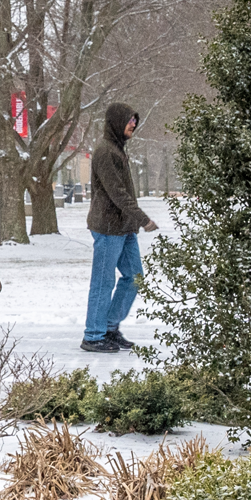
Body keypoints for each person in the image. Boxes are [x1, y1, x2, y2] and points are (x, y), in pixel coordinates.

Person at [85, 103, 157, 353]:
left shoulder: (117, 149)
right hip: (107, 227)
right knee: (103, 282)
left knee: (134, 277)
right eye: (129, 121)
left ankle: (109, 327)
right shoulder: (105, 152)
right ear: (116, 122)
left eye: (135, 121)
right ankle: (93, 335)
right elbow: (117, 193)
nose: (133, 125)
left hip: (124, 228)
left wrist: (133, 222)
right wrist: (142, 218)